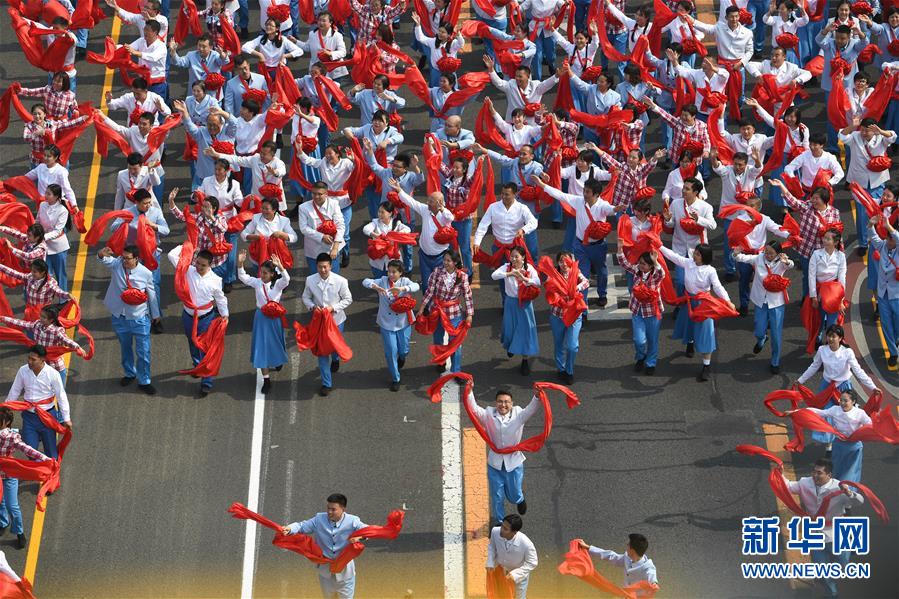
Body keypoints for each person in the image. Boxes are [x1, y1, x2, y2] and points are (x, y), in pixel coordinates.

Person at [781, 459, 865, 597]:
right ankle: (831, 593)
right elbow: (788, 486)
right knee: (821, 569)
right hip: (815, 534)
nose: (815, 475)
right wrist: (779, 473)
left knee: (843, 564)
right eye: (814, 471)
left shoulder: (839, 488)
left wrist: (849, 493)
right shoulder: (805, 483)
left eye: (819, 473)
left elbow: (859, 502)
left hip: (836, 534)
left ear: (829, 475)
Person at [536, 177, 623, 307]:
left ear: (596, 194)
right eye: (584, 191)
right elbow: (561, 195)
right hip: (580, 246)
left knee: (602, 272)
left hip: (598, 246)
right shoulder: (579, 201)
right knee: (582, 275)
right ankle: (582, 306)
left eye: (587, 192)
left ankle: (602, 294)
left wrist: (617, 209)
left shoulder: (602, 205)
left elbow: (611, 209)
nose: (584, 194)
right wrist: (542, 185)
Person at [464, 384, 540, 525]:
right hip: (495, 463)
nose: (503, 405)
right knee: (497, 496)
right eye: (500, 401)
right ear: (495, 403)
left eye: (506, 402)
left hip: (514, 462)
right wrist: (469, 391)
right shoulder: (488, 415)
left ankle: (519, 499)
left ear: (512, 403)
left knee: (514, 493)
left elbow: (531, 409)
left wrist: (536, 396)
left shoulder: (519, 414)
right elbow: (474, 409)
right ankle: (500, 522)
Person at [659, 244, 735, 381]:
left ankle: (706, 365)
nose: (694, 255)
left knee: (706, 334)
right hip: (689, 302)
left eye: (698, 254)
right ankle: (690, 342)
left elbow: (717, 287)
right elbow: (673, 256)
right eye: (695, 253)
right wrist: (658, 245)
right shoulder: (689, 263)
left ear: (705, 257)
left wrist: (728, 301)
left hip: (703, 305)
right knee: (689, 326)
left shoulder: (710, 271)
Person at [167, 245, 229, 398]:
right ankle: (197, 366)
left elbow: (220, 298)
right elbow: (171, 255)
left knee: (206, 348)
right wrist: (187, 246)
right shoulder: (187, 270)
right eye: (198, 263)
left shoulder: (215, 280)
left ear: (210, 265)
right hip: (188, 316)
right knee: (192, 343)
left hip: (206, 318)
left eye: (203, 265)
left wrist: (225, 315)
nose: (199, 267)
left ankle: (207, 381)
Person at [98, 245, 160, 395]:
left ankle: (144, 381)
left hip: (139, 318)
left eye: (127, 258)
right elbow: (104, 259)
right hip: (120, 317)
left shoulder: (145, 273)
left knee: (144, 352)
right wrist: (101, 253)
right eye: (123, 257)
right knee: (125, 348)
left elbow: (152, 294)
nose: (124, 260)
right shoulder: (117, 264)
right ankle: (129, 373)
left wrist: (156, 315)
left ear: (136, 258)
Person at [281, 493, 368, 599]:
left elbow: (368, 530)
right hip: (325, 572)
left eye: (333, 509)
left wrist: (359, 537)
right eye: (328, 508)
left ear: (343, 509)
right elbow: (302, 526)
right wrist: (290, 528)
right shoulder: (319, 519)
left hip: (345, 573)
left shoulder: (353, 521)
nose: (329, 512)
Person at [838, 117, 896, 256]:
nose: (863, 133)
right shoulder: (855, 136)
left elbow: (893, 136)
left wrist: (881, 131)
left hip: (878, 182)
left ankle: (881, 237)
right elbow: (841, 136)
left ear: (874, 130)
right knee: (862, 214)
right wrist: (853, 126)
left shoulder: (881, 138)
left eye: (867, 131)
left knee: (880, 212)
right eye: (862, 130)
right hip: (859, 184)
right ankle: (863, 243)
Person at [734, 241, 793, 374]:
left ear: (777, 254)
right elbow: (744, 258)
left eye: (771, 253)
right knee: (759, 329)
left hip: (776, 302)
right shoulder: (759, 258)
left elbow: (790, 265)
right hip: (761, 300)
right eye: (766, 252)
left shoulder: (782, 262)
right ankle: (762, 339)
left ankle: (775, 361)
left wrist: (787, 261)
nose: (767, 255)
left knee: (776, 334)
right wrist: (736, 254)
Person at [4, 345, 71, 459]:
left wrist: (66, 418)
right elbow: (15, 390)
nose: (29, 362)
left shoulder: (53, 374)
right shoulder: (23, 370)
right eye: (29, 358)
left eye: (33, 359)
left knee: (51, 453)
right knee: (30, 453)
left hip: (48, 417)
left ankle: (50, 470)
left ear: (42, 359)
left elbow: (61, 396)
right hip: (29, 417)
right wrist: (6, 409)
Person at [363, 259, 420, 391]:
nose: (390, 274)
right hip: (386, 323)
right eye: (389, 271)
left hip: (403, 322)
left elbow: (416, 286)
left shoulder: (405, 281)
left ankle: (402, 357)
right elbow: (365, 281)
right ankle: (396, 378)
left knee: (404, 349)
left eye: (394, 272)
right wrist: (375, 287)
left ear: (400, 273)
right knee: (391, 351)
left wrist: (403, 289)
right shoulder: (383, 281)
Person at [790, 391, 872, 483]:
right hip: (838, 444)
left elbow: (870, 425)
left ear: (853, 402)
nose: (842, 403)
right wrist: (796, 411)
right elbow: (820, 412)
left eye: (846, 401)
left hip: (853, 447)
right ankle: (836, 485)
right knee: (836, 466)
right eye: (841, 400)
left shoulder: (860, 413)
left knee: (850, 470)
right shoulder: (835, 410)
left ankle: (847, 487)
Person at [237, 251, 289, 395]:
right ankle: (266, 379)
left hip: (274, 318)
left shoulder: (278, 284)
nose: (262, 275)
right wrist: (240, 263)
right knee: (261, 346)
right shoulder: (257, 282)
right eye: (261, 272)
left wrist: (281, 266)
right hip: (261, 317)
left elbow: (287, 279)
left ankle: (277, 360)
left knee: (276, 342)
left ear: (272, 274)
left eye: (265, 273)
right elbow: (243, 277)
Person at [302, 253, 353, 397]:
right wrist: (313, 307)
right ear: (316, 267)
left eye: (325, 267)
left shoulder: (341, 281)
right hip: (320, 322)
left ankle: (335, 359)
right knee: (322, 352)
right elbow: (306, 297)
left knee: (335, 347)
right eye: (320, 267)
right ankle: (326, 384)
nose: (323, 270)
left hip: (336, 321)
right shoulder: (310, 280)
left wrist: (333, 308)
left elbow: (348, 299)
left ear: (330, 266)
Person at [0, 406, 51, 551]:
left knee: (12, 505)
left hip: (9, 474)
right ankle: (3, 523)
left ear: (7, 422)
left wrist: (45, 459)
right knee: (0, 502)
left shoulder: (11, 437)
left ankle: (19, 532)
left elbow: (27, 449)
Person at [392, 182, 454, 292]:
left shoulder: (444, 216)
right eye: (428, 200)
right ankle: (427, 302)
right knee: (426, 283)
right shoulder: (425, 209)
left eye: (431, 201)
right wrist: (400, 190)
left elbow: (450, 218)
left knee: (441, 284)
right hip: (424, 256)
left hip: (441, 258)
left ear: (439, 203)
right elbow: (412, 202)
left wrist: (442, 209)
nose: (427, 202)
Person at [417, 251, 473, 373]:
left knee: (455, 342)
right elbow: (429, 291)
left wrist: (469, 314)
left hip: (454, 314)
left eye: (449, 261)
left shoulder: (462, 276)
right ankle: (441, 361)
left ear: (455, 263)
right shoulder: (437, 272)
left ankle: (456, 371)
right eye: (444, 260)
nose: (445, 263)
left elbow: (467, 296)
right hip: (437, 312)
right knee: (438, 339)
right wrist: (421, 308)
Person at [0, 306, 83, 386]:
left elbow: (66, 340)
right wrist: (4, 318)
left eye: (44, 317)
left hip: (55, 365)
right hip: (40, 362)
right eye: (41, 315)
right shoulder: (37, 325)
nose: (40, 318)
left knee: (59, 388)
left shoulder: (57, 331)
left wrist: (77, 347)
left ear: (51, 320)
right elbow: (22, 323)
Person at [491, 247, 541, 376]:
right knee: (510, 328)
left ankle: (524, 361)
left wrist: (524, 279)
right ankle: (510, 346)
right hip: (511, 302)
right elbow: (494, 275)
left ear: (523, 257)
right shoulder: (507, 267)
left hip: (525, 303)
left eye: (516, 256)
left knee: (525, 332)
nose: (513, 259)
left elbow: (538, 282)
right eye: (512, 256)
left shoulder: (529, 268)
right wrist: (510, 274)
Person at [617, 249, 665, 376]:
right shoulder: (636, 271)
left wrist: (656, 262)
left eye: (644, 263)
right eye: (640, 262)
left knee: (652, 340)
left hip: (653, 313)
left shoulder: (655, 276)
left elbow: (662, 273)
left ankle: (651, 363)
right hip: (637, 312)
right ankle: (640, 357)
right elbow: (624, 264)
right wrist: (620, 249)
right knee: (639, 340)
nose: (640, 265)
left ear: (651, 266)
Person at [546, 251, 589, 383]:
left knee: (572, 346)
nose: (564, 264)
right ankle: (561, 369)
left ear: (571, 262)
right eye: (561, 261)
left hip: (574, 314)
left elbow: (586, 282)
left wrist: (576, 288)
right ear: (557, 263)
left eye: (567, 261)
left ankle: (569, 371)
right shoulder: (553, 275)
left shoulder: (575, 272)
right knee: (559, 343)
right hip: (557, 315)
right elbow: (548, 287)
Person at [576, 534, 659, 595]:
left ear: (632, 550)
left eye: (628, 544)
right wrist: (588, 548)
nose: (626, 545)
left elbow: (652, 578)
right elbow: (611, 556)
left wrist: (654, 583)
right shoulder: (627, 558)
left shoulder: (648, 567)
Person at [870, 214, 899, 366]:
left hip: (897, 294)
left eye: (891, 239)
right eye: (888, 238)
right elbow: (873, 237)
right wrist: (870, 225)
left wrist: (889, 227)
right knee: (886, 324)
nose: (888, 241)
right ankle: (893, 352)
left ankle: (896, 339)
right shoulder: (882, 246)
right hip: (883, 294)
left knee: (897, 322)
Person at [486, 515, 538, 599]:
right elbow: (492, 547)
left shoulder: (527, 544)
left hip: (518, 577)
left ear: (514, 532)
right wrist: (490, 562)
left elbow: (532, 563)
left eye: (505, 529)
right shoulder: (495, 531)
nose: (501, 530)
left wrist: (515, 574)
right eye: (502, 526)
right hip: (501, 571)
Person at [298, 183, 346, 274]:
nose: (316, 197)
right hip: (313, 249)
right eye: (314, 193)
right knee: (315, 275)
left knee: (333, 275)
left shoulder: (334, 204)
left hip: (332, 247)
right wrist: (322, 236)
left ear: (326, 194)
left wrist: (335, 247)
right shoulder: (303, 207)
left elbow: (340, 225)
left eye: (320, 194)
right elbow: (303, 228)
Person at [808, 229, 847, 341]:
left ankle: (829, 343)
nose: (824, 240)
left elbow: (842, 278)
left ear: (836, 242)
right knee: (819, 319)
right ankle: (818, 337)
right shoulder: (816, 254)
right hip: (819, 291)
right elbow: (811, 276)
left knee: (832, 323)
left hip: (833, 293)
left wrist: (841, 299)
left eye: (828, 239)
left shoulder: (841, 256)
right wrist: (814, 296)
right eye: (824, 238)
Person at [34, 183, 70, 292]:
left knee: (60, 275)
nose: (45, 195)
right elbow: (37, 221)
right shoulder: (42, 205)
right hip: (44, 247)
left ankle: (63, 299)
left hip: (58, 248)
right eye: (46, 193)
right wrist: (33, 231)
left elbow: (58, 231)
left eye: (49, 194)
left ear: (56, 197)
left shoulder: (63, 210)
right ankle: (46, 297)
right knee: (46, 274)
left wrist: (41, 237)